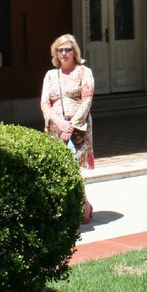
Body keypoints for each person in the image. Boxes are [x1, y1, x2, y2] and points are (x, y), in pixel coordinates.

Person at [41, 34, 95, 223]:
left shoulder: (84, 72)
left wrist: (70, 126)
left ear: (75, 52)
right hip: (56, 129)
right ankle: (64, 207)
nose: (64, 53)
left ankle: (82, 206)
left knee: (73, 168)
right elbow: (45, 103)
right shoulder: (50, 75)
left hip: (77, 129)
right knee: (58, 168)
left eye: (68, 49)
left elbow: (87, 99)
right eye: (60, 50)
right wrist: (59, 123)